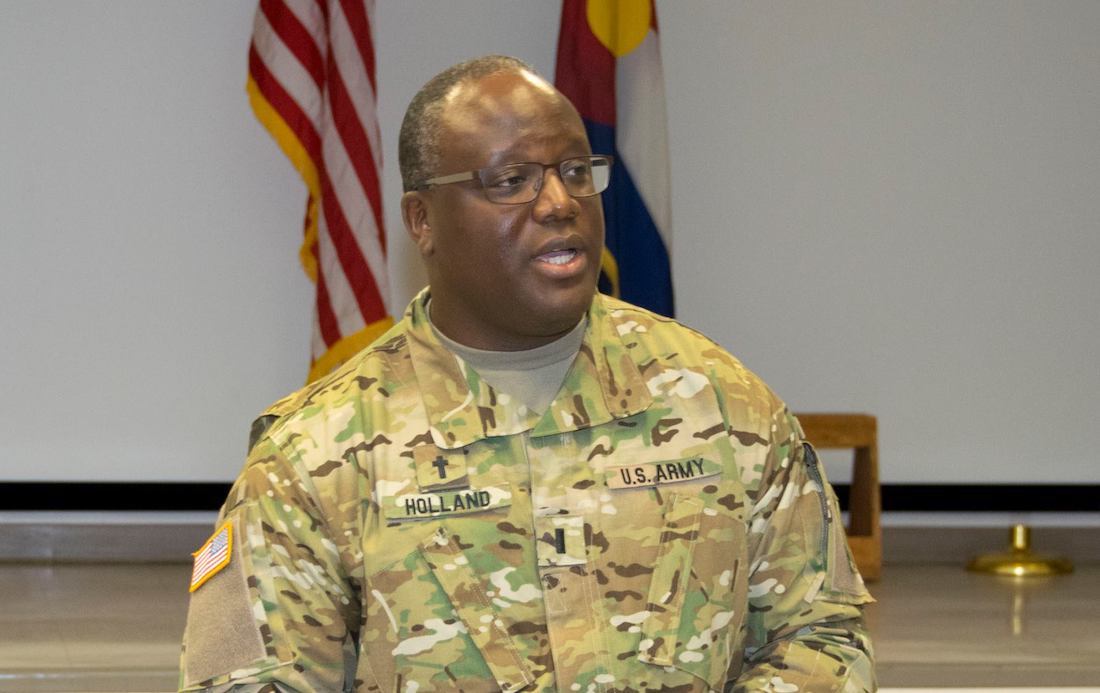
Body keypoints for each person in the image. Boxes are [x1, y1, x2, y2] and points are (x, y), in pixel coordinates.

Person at [180, 55, 875, 692]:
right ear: (421, 219)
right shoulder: (314, 456)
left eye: (576, 170)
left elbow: (820, 636)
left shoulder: (721, 405)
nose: (557, 202)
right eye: (512, 181)